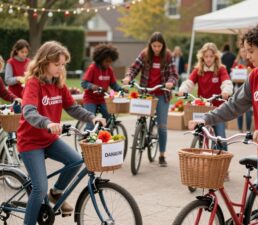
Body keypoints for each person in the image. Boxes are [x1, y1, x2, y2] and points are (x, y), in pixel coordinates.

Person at [189, 24, 258, 225]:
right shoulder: (255, 76)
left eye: (252, 51)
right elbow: (234, 106)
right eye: (246, 51)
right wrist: (206, 118)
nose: (248, 56)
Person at [17, 41, 105, 225]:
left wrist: (92, 118)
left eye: (63, 64)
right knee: (39, 189)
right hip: (30, 142)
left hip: (49, 139)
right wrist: (47, 123)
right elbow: (29, 112)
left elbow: (72, 108)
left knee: (76, 161)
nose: (60, 68)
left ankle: (56, 194)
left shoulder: (59, 84)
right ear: (44, 61)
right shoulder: (34, 83)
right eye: (56, 64)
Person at [122, 32, 178, 167]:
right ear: (150, 45)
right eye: (154, 46)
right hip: (145, 92)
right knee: (141, 117)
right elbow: (134, 68)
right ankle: (140, 133)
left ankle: (162, 155)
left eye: (159, 46)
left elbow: (173, 74)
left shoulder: (168, 56)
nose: (157, 49)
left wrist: (170, 82)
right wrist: (129, 77)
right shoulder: (145, 54)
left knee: (162, 127)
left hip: (161, 93)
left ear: (163, 46)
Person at [178, 42, 233, 151]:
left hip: (217, 109)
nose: (208, 59)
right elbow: (189, 82)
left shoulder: (221, 69)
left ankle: (223, 162)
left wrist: (226, 91)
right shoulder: (198, 69)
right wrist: (183, 90)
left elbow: (226, 82)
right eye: (206, 56)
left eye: (211, 56)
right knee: (199, 132)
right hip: (202, 107)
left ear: (215, 57)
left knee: (220, 138)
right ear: (202, 57)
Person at [81, 43, 122, 130]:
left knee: (110, 118)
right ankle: (86, 138)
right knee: (91, 122)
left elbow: (113, 84)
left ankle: (103, 135)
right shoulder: (93, 68)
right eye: (106, 61)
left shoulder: (109, 70)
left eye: (110, 61)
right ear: (100, 59)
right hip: (90, 99)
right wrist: (93, 86)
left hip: (103, 99)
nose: (108, 63)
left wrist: (121, 89)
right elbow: (84, 83)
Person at [232, 47, 254, 132]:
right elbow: (232, 73)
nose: (243, 53)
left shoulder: (251, 62)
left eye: (244, 51)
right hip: (238, 87)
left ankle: (248, 129)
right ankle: (240, 128)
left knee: (248, 110)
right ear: (239, 53)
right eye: (241, 51)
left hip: (249, 87)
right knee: (239, 109)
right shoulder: (236, 62)